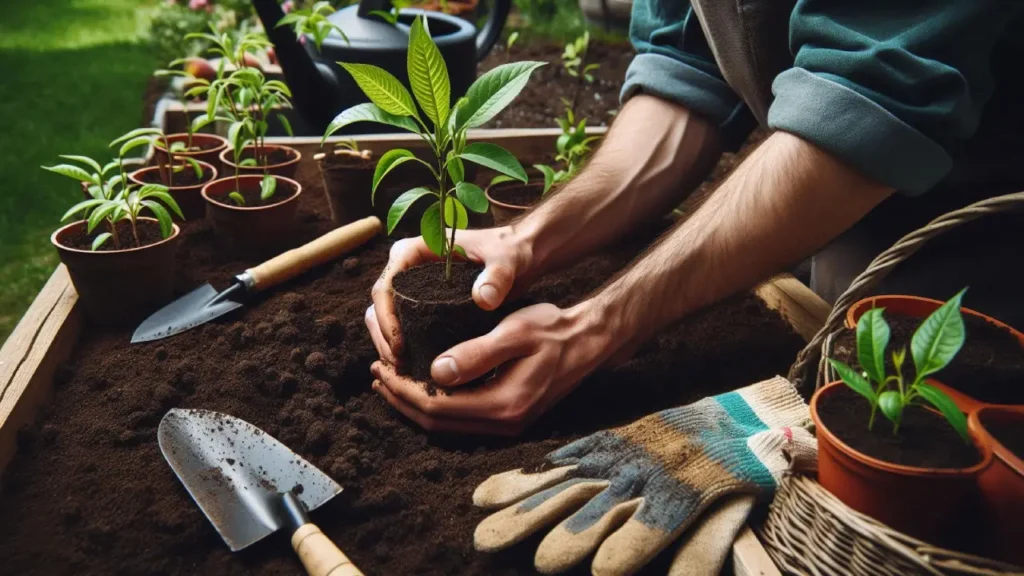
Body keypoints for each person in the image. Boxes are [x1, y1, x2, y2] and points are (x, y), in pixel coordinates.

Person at [366, 1, 1024, 435]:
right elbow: (686, 73)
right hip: (835, 217)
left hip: (987, 254)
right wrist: (529, 239)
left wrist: (597, 325)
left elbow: (868, 104)